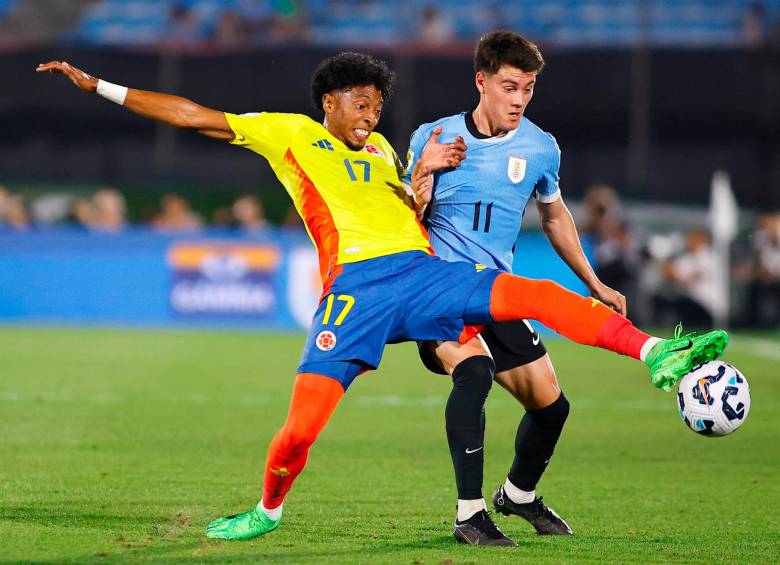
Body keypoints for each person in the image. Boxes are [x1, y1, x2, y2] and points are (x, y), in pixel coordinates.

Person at [37, 52, 728, 543]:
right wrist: (98, 84)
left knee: (535, 293)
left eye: (377, 103)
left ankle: (655, 354)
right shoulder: (291, 135)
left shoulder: (386, 154)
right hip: (356, 293)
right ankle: (267, 509)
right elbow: (191, 115)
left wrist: (420, 173)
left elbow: (413, 210)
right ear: (329, 101)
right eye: (361, 101)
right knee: (302, 429)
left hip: (424, 273)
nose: (372, 113)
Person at [404, 31, 627, 544]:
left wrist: (593, 281)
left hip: (499, 294)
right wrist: (423, 172)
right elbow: (405, 219)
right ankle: (469, 514)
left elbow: (554, 217)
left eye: (527, 89)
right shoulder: (432, 137)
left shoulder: (540, 147)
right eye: (509, 87)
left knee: (553, 408)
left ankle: (519, 495)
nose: (519, 100)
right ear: (481, 82)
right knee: (475, 372)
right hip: (440, 292)